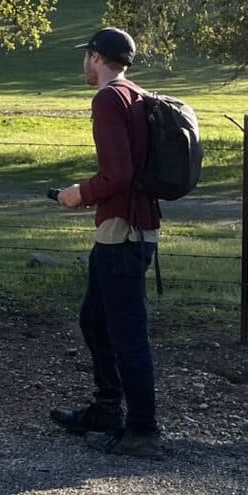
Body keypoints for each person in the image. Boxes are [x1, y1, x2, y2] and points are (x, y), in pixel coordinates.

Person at [51, 27, 164, 458]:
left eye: (88, 56)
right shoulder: (137, 94)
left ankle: (142, 428)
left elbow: (116, 174)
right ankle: (105, 408)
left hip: (123, 231)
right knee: (95, 320)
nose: (86, 63)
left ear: (96, 57)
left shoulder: (108, 99)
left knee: (126, 331)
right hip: (132, 226)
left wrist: (79, 193)